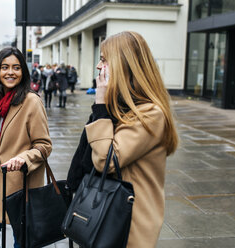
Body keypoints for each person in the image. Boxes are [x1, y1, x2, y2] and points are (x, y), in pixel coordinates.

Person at [66, 31, 178, 247]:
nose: (99, 66)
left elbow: (105, 160)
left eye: (104, 59)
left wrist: (100, 105)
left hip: (128, 227)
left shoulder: (150, 113)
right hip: (104, 219)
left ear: (124, 65)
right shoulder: (118, 108)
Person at [0, 47, 52, 248]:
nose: (10, 72)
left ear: (23, 72)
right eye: (4, 67)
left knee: (21, 241)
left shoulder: (31, 101)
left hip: (22, 183)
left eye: (16, 67)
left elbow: (44, 145)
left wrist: (24, 159)